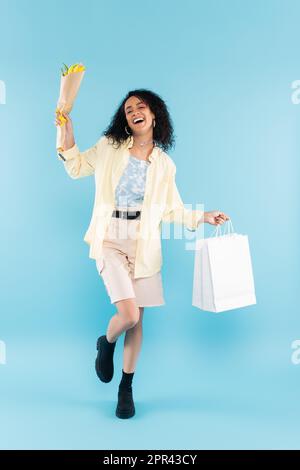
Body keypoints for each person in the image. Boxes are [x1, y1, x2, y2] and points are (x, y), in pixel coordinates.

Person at [55, 89, 230, 419]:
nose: (133, 111)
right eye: (128, 108)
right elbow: (76, 167)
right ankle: (105, 343)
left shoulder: (165, 164)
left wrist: (203, 216)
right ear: (126, 119)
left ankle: (126, 389)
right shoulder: (110, 146)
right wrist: (66, 130)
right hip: (110, 237)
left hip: (144, 244)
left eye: (140, 106)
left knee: (138, 324)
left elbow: (171, 209)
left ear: (154, 114)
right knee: (129, 315)